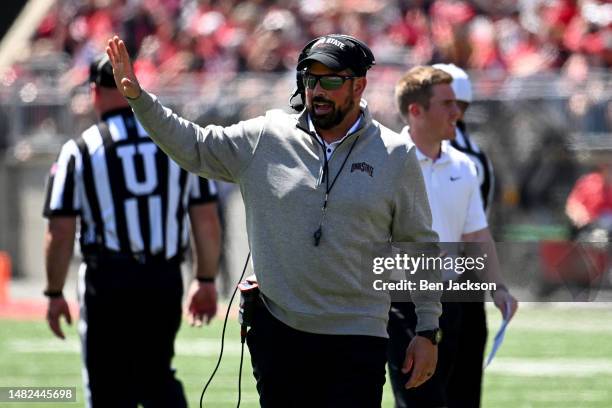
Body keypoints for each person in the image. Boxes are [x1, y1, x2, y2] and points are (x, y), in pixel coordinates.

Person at [106, 34, 442, 407]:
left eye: (330, 80)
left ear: (358, 84)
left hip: (357, 335)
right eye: (310, 79)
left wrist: (427, 329)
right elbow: (195, 146)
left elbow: (419, 246)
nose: (317, 91)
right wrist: (139, 99)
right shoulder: (266, 136)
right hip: (279, 332)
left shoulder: (396, 154)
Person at [43, 54, 221, 407]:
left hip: (107, 279)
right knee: (157, 377)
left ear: (95, 92)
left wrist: (53, 292)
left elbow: (61, 230)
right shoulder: (176, 141)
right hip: (163, 276)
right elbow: (205, 217)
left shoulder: (79, 150)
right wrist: (205, 278)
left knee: (108, 386)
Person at [388, 66, 518, 408]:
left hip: (454, 297)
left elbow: (476, 231)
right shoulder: (385, 161)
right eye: (447, 104)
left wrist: (498, 287)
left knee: (457, 398)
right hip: (403, 300)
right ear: (416, 110)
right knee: (421, 401)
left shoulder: (464, 166)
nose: (457, 113)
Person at [433, 62, 495, 407]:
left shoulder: (460, 157)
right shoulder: (475, 154)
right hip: (461, 276)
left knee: (444, 381)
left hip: (448, 275)